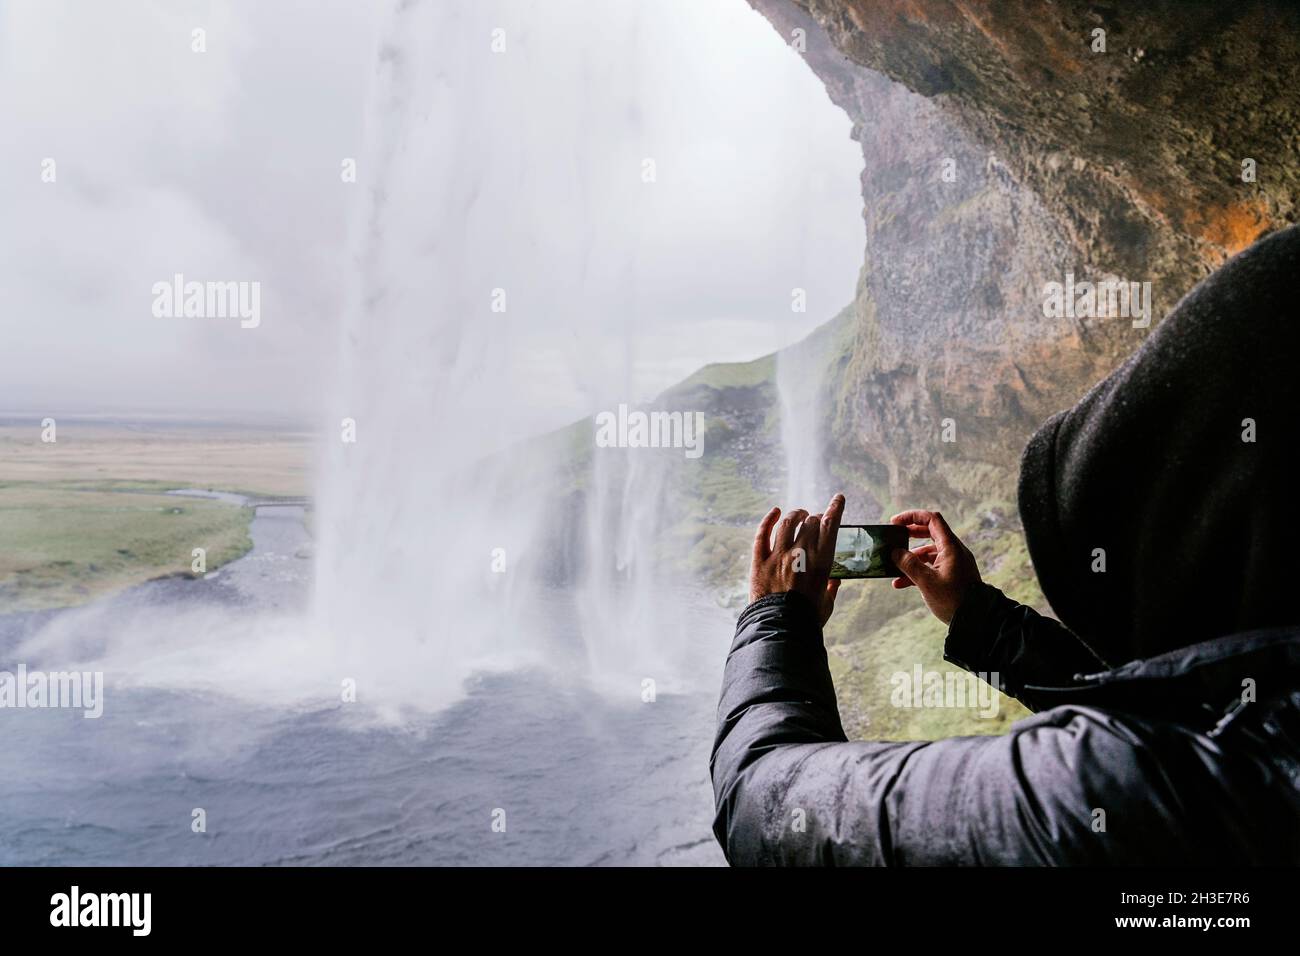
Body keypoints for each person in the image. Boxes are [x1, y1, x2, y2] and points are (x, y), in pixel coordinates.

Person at [710, 224, 1300, 865]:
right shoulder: (1244, 756)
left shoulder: (1144, 790)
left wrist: (777, 618)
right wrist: (980, 620)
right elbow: (1173, 710)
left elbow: (761, 805)